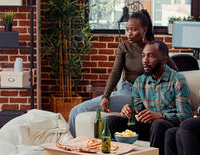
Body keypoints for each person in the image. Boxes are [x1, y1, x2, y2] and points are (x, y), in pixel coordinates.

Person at [107, 40, 192, 155]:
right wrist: (129, 109)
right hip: (148, 127)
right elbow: (138, 111)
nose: (145, 60)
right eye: (144, 56)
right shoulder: (140, 81)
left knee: (159, 124)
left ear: (164, 59)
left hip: (167, 128)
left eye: (151, 56)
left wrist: (159, 115)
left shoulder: (177, 80)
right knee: (112, 120)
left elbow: (185, 116)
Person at [68, 10, 178, 138]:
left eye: (133, 30)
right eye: (127, 29)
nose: (129, 33)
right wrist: (106, 96)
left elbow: (174, 71)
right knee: (76, 110)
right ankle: (72, 146)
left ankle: (75, 147)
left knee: (81, 109)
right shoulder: (124, 46)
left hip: (138, 96)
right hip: (123, 90)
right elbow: (115, 72)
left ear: (144, 30)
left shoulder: (154, 48)